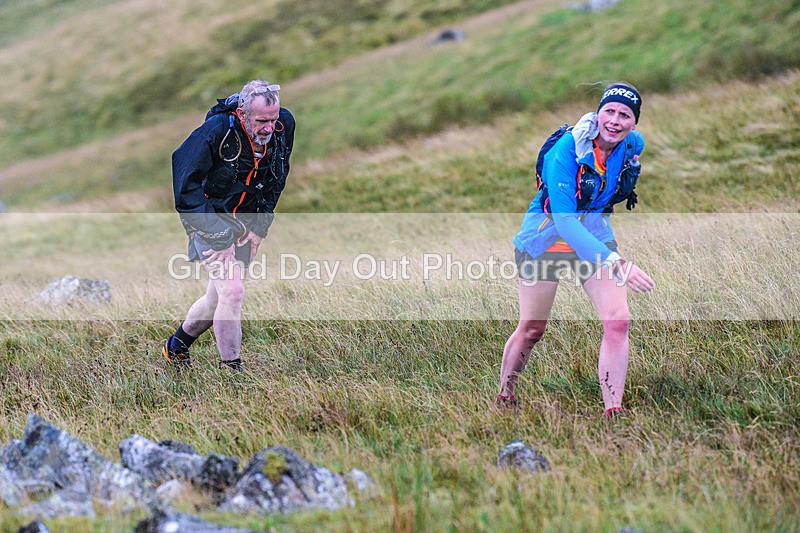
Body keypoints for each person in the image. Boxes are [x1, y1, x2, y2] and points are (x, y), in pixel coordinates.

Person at [498, 82, 654, 416]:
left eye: (624, 115)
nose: (614, 120)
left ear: (633, 123)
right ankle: (505, 395)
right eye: (609, 111)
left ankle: (614, 411)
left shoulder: (632, 146)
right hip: (548, 237)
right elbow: (566, 223)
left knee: (618, 321)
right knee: (532, 328)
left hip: (593, 235)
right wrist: (617, 262)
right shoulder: (565, 152)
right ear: (598, 113)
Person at [163, 80, 295, 370]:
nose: (269, 128)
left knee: (217, 297)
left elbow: (278, 177)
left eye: (273, 119)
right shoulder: (216, 131)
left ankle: (176, 346)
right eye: (262, 121)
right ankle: (231, 373)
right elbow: (185, 186)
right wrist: (218, 235)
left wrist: (260, 226)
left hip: (246, 224)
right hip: (210, 218)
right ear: (242, 113)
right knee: (233, 292)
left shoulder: (284, 125)